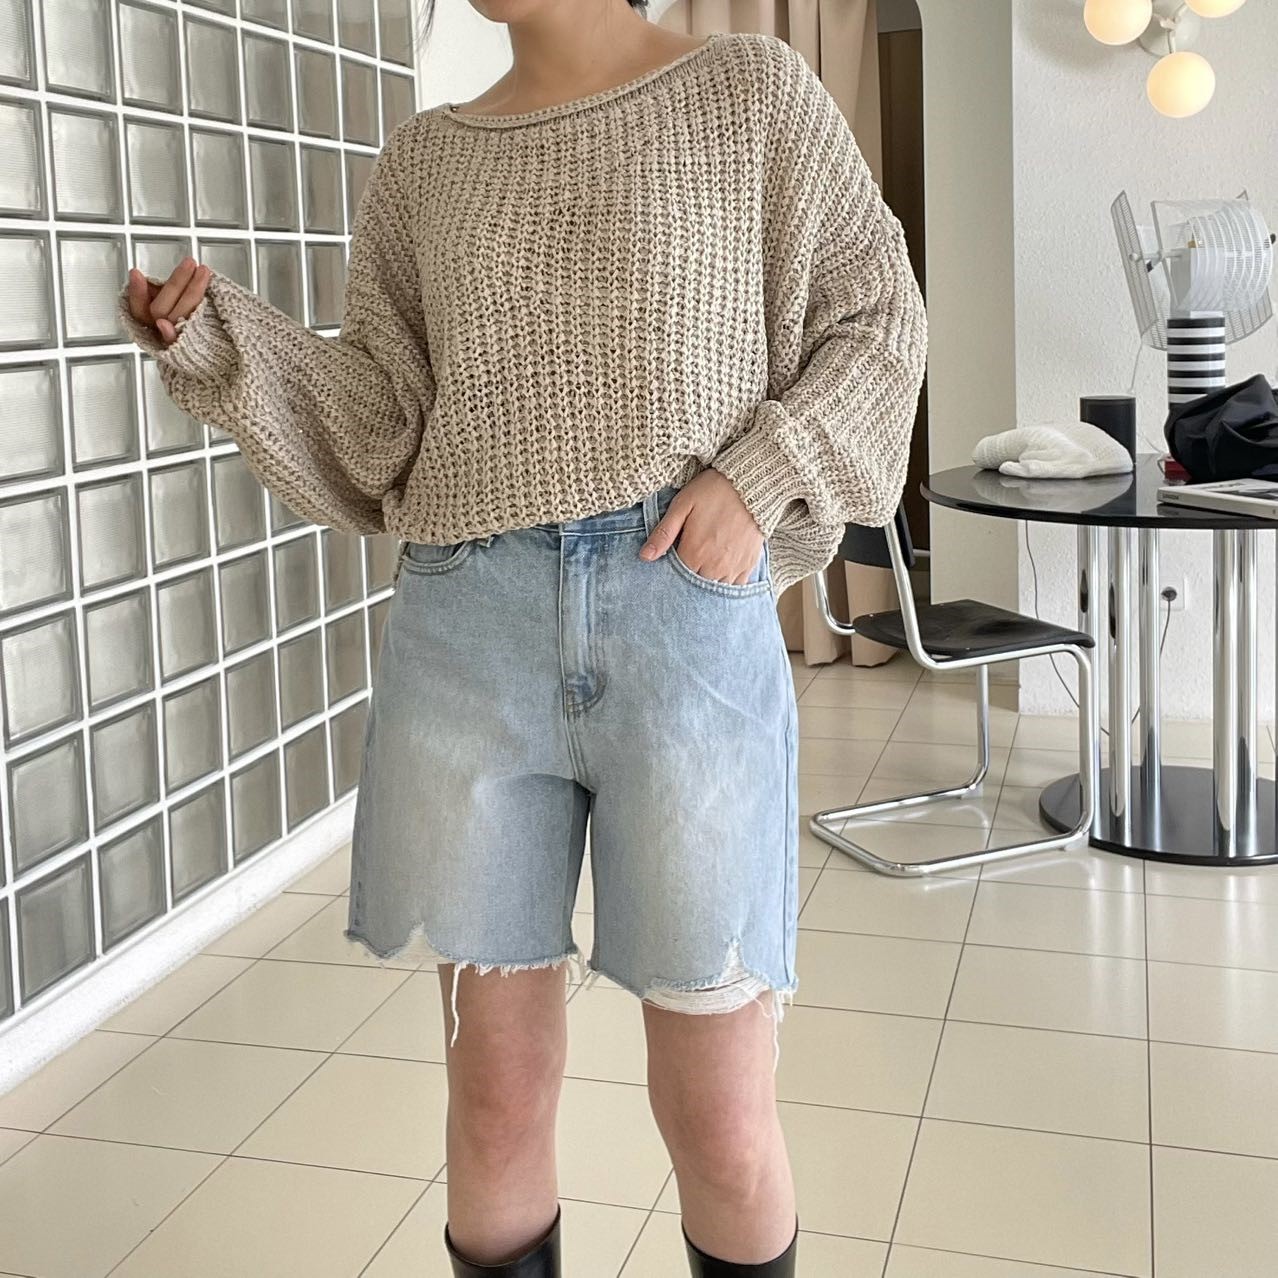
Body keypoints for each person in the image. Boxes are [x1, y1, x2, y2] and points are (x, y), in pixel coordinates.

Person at [118, 3, 927, 1273]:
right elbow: (382, 425)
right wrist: (226, 345)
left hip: (683, 636)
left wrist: (761, 476)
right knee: (493, 1103)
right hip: (468, 637)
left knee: (719, 1118)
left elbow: (878, 317)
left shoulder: (751, 92)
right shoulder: (425, 162)